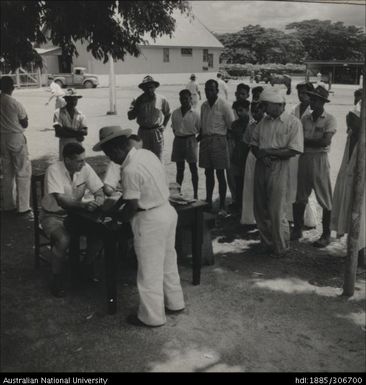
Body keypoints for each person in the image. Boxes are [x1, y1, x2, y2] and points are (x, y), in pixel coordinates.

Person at [93, 126, 185, 327]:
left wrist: (117, 221)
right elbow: (128, 197)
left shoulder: (129, 169)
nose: (111, 160)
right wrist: (114, 211)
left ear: (117, 150)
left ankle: (151, 317)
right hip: (167, 212)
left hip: (150, 220)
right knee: (168, 261)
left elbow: (132, 205)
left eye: (110, 155)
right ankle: (175, 302)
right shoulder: (146, 154)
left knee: (149, 270)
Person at [40, 143, 105, 297]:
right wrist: (84, 205)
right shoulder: (54, 170)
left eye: (84, 159)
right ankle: (56, 278)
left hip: (76, 215)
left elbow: (99, 190)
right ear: (67, 160)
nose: (83, 163)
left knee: (100, 233)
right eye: (79, 161)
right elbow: (62, 201)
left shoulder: (85, 168)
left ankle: (85, 267)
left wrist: (99, 200)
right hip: (52, 215)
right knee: (64, 240)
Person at [250, 88, 303, 258]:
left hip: (280, 166)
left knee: (276, 208)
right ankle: (266, 243)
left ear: (276, 105)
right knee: (260, 206)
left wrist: (269, 154)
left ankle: (281, 246)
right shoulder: (262, 123)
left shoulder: (292, 123)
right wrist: (261, 155)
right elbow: (254, 144)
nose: (263, 109)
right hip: (262, 165)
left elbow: (294, 150)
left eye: (265, 105)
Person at [292, 85, 337, 247]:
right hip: (304, 159)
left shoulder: (330, 119)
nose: (311, 101)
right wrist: (311, 142)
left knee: (325, 198)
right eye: (311, 98)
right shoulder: (305, 119)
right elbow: (298, 140)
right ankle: (297, 229)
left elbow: (325, 142)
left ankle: (326, 234)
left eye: (315, 99)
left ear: (322, 102)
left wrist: (307, 142)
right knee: (300, 196)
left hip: (319, 160)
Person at [331, 89, 365, 255]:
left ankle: (360, 252)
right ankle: (355, 251)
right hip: (351, 177)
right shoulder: (352, 134)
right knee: (351, 211)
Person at [199, 79, 234, 216]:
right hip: (206, 140)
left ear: (217, 90)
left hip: (219, 141)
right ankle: (208, 201)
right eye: (206, 89)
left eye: (211, 89)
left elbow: (231, 126)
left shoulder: (224, 105)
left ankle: (222, 206)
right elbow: (203, 125)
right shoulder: (203, 106)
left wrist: (224, 142)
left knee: (220, 174)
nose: (208, 92)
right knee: (208, 173)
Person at [0, 76, 32, 215]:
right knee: (22, 171)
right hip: (15, 137)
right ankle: (23, 206)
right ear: (11, 87)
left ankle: (7, 205)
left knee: (7, 172)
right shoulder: (14, 103)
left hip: (2, 138)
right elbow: (25, 123)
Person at [288, 82, 318, 230]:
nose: (302, 96)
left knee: (307, 185)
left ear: (311, 94)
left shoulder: (314, 111)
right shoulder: (294, 109)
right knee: (294, 183)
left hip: (308, 151)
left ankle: (309, 219)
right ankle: (294, 217)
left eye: (305, 93)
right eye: (299, 93)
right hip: (295, 151)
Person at [127, 75, 171, 161]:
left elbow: (168, 113)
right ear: (143, 89)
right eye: (146, 87)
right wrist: (137, 105)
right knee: (144, 159)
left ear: (155, 87)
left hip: (156, 132)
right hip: (143, 132)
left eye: (151, 87)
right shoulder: (137, 100)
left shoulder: (161, 99)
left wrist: (164, 126)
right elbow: (130, 117)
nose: (149, 90)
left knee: (158, 159)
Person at [171, 89, 200, 199]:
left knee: (193, 168)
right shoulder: (175, 113)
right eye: (182, 98)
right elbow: (174, 128)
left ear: (190, 99)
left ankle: (196, 194)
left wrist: (193, 142)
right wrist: (180, 137)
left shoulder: (195, 114)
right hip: (178, 140)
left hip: (191, 140)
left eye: (186, 98)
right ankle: (178, 192)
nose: (184, 100)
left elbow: (200, 130)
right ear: (179, 99)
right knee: (179, 169)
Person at [240, 101, 265, 226]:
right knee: (250, 186)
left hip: (265, 157)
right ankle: (250, 217)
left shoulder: (268, 125)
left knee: (263, 188)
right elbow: (246, 143)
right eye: (253, 112)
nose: (255, 114)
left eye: (258, 111)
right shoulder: (251, 126)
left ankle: (264, 218)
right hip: (252, 157)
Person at [227, 100, 250, 210]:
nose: (239, 113)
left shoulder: (252, 124)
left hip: (249, 155)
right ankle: (238, 202)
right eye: (237, 111)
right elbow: (232, 141)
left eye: (241, 110)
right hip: (238, 154)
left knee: (248, 180)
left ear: (247, 110)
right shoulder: (235, 124)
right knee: (238, 180)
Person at [53, 88, 87, 160]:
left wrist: (66, 129)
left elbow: (85, 131)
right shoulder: (58, 112)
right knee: (64, 165)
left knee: (78, 165)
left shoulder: (80, 114)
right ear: (66, 99)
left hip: (78, 145)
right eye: (70, 99)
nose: (73, 101)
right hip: (65, 144)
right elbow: (59, 132)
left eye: (75, 99)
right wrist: (78, 134)